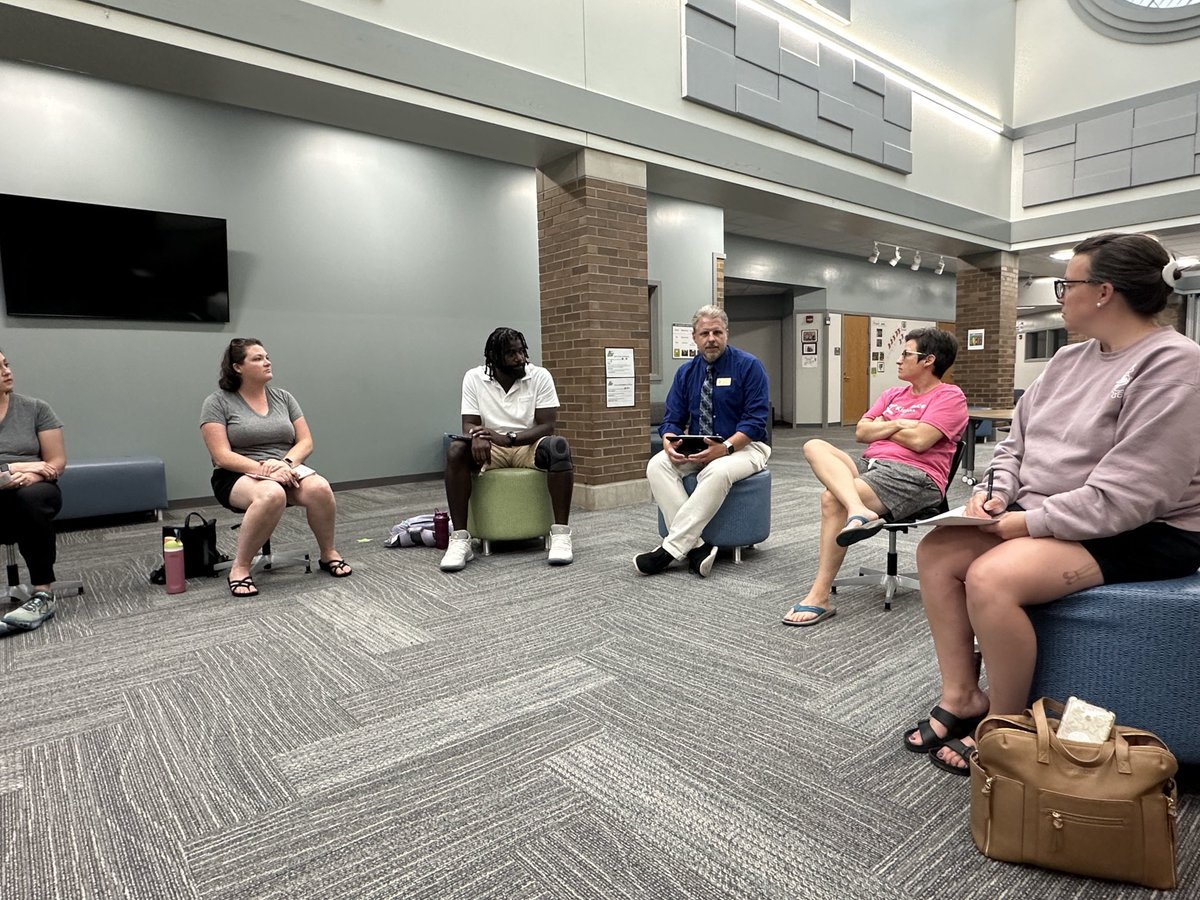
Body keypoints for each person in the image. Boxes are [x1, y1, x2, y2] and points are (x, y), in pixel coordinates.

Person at [906, 233, 1200, 775]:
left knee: (993, 578)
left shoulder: (1174, 364)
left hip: (1148, 528)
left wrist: (1025, 524)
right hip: (1051, 510)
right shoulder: (1068, 359)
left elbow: (1130, 497)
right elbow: (1015, 443)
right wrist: (997, 492)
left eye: (1068, 284)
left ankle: (1005, 723)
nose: (1060, 295)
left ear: (1104, 292)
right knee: (938, 552)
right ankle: (962, 695)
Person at [782, 328, 966, 626]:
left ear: (928, 360)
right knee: (813, 445)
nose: (899, 359)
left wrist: (885, 424)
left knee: (832, 499)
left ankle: (819, 596)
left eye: (906, 353)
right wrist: (903, 423)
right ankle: (858, 509)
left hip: (913, 475)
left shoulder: (949, 396)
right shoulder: (893, 394)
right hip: (872, 465)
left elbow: (921, 441)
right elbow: (861, 432)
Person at [200, 338, 352, 597]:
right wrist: (266, 470)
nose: (267, 362)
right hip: (237, 474)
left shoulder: (284, 397)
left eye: (267, 357)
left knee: (320, 488)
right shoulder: (217, 402)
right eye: (257, 358)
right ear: (237, 367)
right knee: (272, 493)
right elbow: (222, 456)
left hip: (285, 468)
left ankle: (328, 554)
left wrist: (284, 464)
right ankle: (240, 568)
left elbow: (306, 442)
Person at [636, 305, 771, 577]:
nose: (711, 339)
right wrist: (669, 442)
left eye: (717, 332)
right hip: (701, 446)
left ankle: (670, 550)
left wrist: (726, 448)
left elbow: (756, 421)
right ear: (694, 337)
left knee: (717, 470)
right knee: (657, 465)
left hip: (747, 446)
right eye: (705, 333)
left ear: (726, 334)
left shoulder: (749, 366)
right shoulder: (686, 373)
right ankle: (697, 547)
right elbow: (672, 419)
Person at [439, 327, 574, 571]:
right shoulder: (474, 378)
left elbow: (547, 426)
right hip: (491, 448)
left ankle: (561, 535)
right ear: (493, 357)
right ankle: (460, 540)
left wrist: (508, 438)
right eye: (511, 353)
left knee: (559, 447)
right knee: (456, 450)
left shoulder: (539, 376)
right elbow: (469, 423)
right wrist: (477, 436)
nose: (520, 358)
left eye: (521, 351)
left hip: (528, 446)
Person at [0, 349, 70, 633]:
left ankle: (42, 594)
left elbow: (56, 462)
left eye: (6, 364)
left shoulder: (36, 408)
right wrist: (15, 468)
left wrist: (29, 476)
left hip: (35, 486)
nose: (7, 371)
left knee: (31, 498)